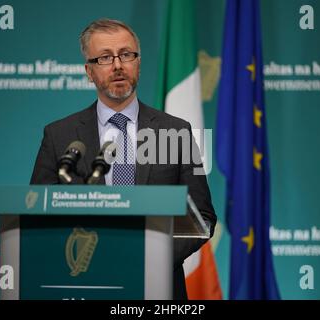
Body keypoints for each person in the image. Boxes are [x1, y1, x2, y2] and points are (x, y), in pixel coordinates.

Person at [30, 18, 216, 300]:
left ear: (138, 63)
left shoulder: (174, 130)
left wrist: (148, 260)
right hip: (84, 286)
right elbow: (36, 217)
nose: (117, 65)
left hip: (158, 290)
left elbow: (202, 217)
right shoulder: (60, 135)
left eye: (126, 55)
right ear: (89, 71)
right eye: (104, 57)